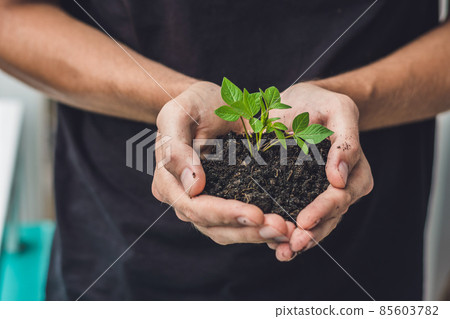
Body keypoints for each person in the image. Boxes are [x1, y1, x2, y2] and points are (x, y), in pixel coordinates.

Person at [0, 0, 448, 300]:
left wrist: (351, 98)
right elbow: (12, 15)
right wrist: (171, 96)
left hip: (364, 250)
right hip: (122, 256)